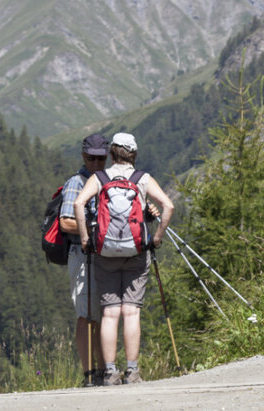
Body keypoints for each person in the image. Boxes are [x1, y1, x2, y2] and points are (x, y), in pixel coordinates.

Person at [73, 132, 174, 386]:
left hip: (105, 253)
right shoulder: (143, 179)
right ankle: (132, 372)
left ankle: (109, 372)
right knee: (131, 313)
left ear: (112, 154)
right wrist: (157, 238)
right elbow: (169, 206)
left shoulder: (100, 178)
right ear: (134, 155)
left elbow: (78, 204)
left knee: (109, 314)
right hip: (137, 253)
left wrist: (86, 238)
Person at [59, 133, 109, 387]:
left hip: (105, 256)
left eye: (101, 159)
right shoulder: (76, 184)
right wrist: (91, 226)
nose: (97, 164)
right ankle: (89, 373)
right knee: (85, 314)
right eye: (92, 159)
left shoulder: (108, 182)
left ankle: (104, 370)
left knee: (103, 314)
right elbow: (65, 221)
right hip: (81, 255)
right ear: (83, 156)